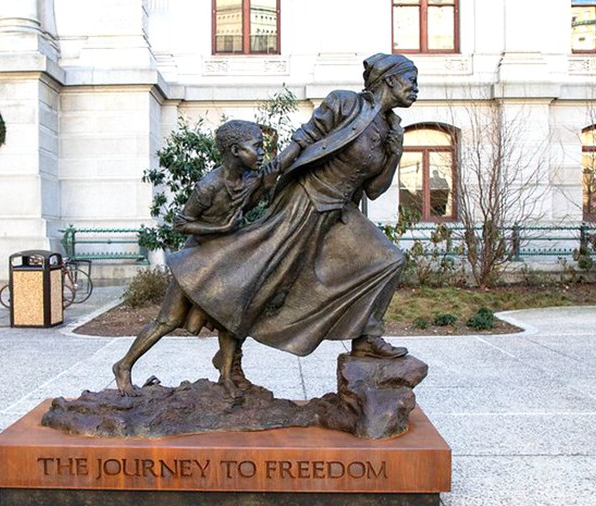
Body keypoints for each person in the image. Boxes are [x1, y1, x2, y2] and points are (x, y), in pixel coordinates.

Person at [167, 53, 418, 360]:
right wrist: (273, 171)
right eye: (411, 80)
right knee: (269, 280)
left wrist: (394, 155)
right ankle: (229, 353)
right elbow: (305, 138)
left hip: (340, 210)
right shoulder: (345, 103)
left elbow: (374, 191)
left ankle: (367, 337)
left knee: (388, 259)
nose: (415, 88)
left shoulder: (392, 128)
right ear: (390, 80)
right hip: (307, 198)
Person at [113, 119, 278, 397]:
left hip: (225, 258)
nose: (262, 152)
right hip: (196, 261)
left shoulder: (250, 179)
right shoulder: (209, 186)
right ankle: (123, 365)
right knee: (168, 320)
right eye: (257, 146)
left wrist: (268, 184)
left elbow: (253, 198)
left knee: (230, 319)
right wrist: (220, 228)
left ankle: (226, 376)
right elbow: (181, 223)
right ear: (236, 150)